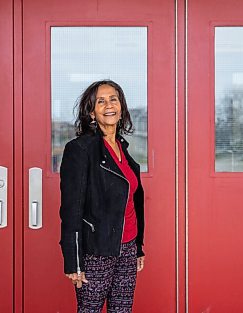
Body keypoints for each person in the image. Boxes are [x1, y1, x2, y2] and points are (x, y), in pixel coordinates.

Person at [59, 80, 145, 313]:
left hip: (126, 247)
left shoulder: (121, 146)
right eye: (101, 101)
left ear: (121, 107)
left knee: (122, 310)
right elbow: (71, 209)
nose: (109, 105)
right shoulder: (80, 149)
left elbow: (131, 202)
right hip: (96, 250)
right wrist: (74, 261)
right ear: (91, 112)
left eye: (114, 99)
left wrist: (137, 247)